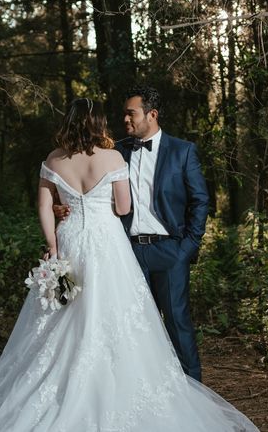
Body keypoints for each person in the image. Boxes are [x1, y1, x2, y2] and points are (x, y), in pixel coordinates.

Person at [0, 98, 257, 432]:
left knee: (63, 320)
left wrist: (53, 245)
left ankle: (57, 387)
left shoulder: (53, 159)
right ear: (97, 125)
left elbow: (44, 206)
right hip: (109, 245)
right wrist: (101, 207)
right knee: (117, 318)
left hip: (72, 242)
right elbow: (124, 208)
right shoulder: (113, 157)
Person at [56, 85, 208, 382]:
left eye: (131, 113)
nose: (125, 119)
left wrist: (187, 246)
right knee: (134, 326)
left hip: (170, 251)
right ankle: (143, 386)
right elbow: (90, 193)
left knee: (177, 322)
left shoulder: (182, 151)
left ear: (152, 114)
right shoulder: (116, 152)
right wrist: (63, 208)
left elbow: (200, 201)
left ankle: (193, 390)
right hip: (125, 253)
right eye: (124, 113)